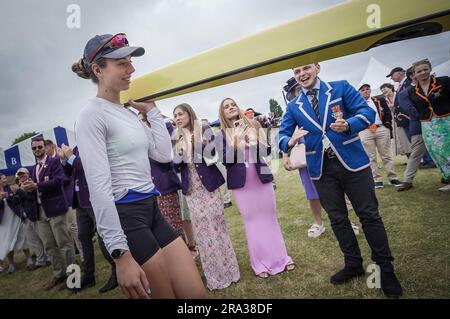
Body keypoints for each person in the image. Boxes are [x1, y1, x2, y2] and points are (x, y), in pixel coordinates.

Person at [73, 33, 206, 299]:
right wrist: (120, 255)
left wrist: (153, 112)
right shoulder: (91, 115)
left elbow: (163, 154)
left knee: (196, 295)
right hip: (126, 217)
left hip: (152, 209)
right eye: (122, 63)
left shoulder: (128, 113)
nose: (131, 69)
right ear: (98, 70)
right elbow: (98, 189)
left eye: (130, 62)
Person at [278, 63, 403, 298]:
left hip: (352, 162)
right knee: (337, 219)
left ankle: (385, 269)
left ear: (317, 67)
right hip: (321, 170)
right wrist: (289, 141)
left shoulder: (340, 88)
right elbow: (282, 135)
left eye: (306, 68)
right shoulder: (294, 106)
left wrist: (349, 124)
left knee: (369, 215)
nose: (302, 74)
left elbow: (366, 113)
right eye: (296, 72)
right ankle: (353, 264)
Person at [218, 97, 294, 278]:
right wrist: (235, 143)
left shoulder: (253, 124)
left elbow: (267, 151)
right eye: (226, 107)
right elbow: (225, 161)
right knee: (252, 222)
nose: (230, 108)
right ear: (222, 113)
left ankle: (282, 258)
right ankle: (259, 263)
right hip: (242, 186)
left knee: (270, 218)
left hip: (261, 179)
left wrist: (253, 139)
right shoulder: (220, 134)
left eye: (232, 104)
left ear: (238, 107)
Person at [173, 103, 240, 290]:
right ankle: (215, 277)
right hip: (192, 192)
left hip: (209, 187)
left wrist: (198, 145)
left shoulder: (203, 129)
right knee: (203, 234)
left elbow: (214, 155)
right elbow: (175, 166)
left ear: (189, 113)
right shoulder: (177, 137)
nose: (177, 118)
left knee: (218, 228)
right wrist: (178, 154)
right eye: (175, 115)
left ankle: (231, 271)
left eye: (180, 114)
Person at [282, 78, 359, 238]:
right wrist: (285, 155)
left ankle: (347, 221)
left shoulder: (322, 100)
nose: (298, 93)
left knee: (338, 189)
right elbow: (286, 134)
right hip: (306, 154)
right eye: (294, 92)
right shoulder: (292, 109)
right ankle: (318, 223)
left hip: (329, 151)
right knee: (311, 192)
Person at [57, 144, 118, 293]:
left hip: (94, 198)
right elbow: (70, 172)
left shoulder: (93, 142)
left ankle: (118, 270)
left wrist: (71, 157)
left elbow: (89, 168)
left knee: (103, 237)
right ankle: (89, 276)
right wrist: (64, 160)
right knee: (83, 236)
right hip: (81, 201)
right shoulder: (77, 147)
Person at [24, 137, 76, 290]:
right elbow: (34, 189)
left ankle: (73, 278)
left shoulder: (54, 162)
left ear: (45, 147)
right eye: (34, 148)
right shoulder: (33, 168)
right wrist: (26, 188)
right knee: (50, 246)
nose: (37, 150)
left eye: (39, 147)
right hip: (40, 212)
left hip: (56, 209)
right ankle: (59, 275)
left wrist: (37, 185)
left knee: (64, 244)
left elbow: (59, 180)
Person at [407, 59, 450, 192]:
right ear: (414, 74)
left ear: (430, 69)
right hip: (428, 124)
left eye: (425, 69)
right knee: (437, 152)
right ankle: (448, 177)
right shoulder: (412, 91)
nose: (423, 73)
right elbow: (415, 107)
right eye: (419, 71)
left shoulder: (444, 81)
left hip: (446, 120)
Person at [358, 84, 401, 188]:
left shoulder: (379, 99)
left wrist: (387, 126)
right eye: (363, 90)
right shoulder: (356, 103)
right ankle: (377, 179)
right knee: (370, 157)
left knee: (386, 155)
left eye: (367, 89)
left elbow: (387, 112)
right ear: (359, 92)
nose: (366, 91)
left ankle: (393, 178)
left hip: (381, 128)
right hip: (365, 130)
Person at [0, 174, 34, 274]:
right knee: (7, 240)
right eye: (3, 179)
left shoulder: (10, 188)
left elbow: (17, 200)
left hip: (15, 217)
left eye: (5, 178)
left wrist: (10, 196)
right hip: (3, 220)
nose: (5, 180)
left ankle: (29, 259)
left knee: (22, 237)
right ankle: (11, 264)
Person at [380, 83, 411, 158]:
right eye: (382, 90)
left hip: (404, 119)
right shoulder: (384, 100)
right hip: (394, 122)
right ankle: (409, 158)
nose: (383, 91)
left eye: (385, 89)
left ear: (390, 88)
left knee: (408, 138)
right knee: (401, 140)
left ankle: (417, 158)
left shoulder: (398, 95)